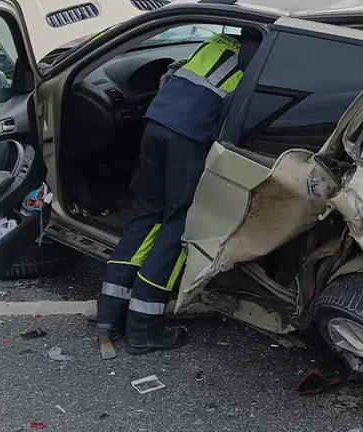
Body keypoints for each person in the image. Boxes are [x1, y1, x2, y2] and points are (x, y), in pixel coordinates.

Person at [95, 28, 261, 355]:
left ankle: (109, 316)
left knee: (147, 218)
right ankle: (143, 328)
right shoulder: (260, 58)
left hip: (157, 125)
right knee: (176, 227)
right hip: (189, 140)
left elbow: (174, 74)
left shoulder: (217, 43)